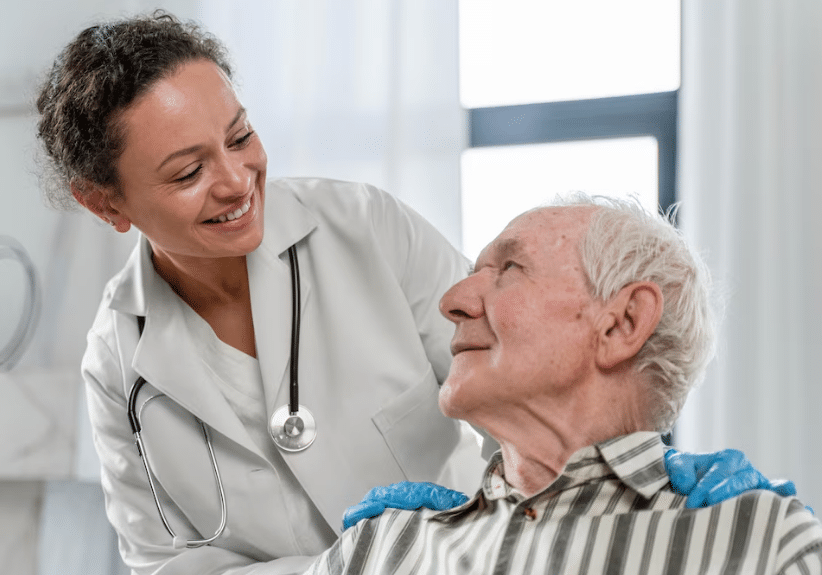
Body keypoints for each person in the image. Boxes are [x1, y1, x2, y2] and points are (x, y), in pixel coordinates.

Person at [34, 11, 797, 575]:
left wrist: (635, 482)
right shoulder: (117, 359)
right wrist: (370, 562)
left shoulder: (364, 227)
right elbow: (165, 564)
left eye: (239, 137)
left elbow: (523, 377)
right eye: (187, 171)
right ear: (109, 204)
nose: (237, 181)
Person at [306, 196, 822, 574]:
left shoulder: (759, 546)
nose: (454, 300)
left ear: (622, 324)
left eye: (508, 268)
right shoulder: (382, 550)